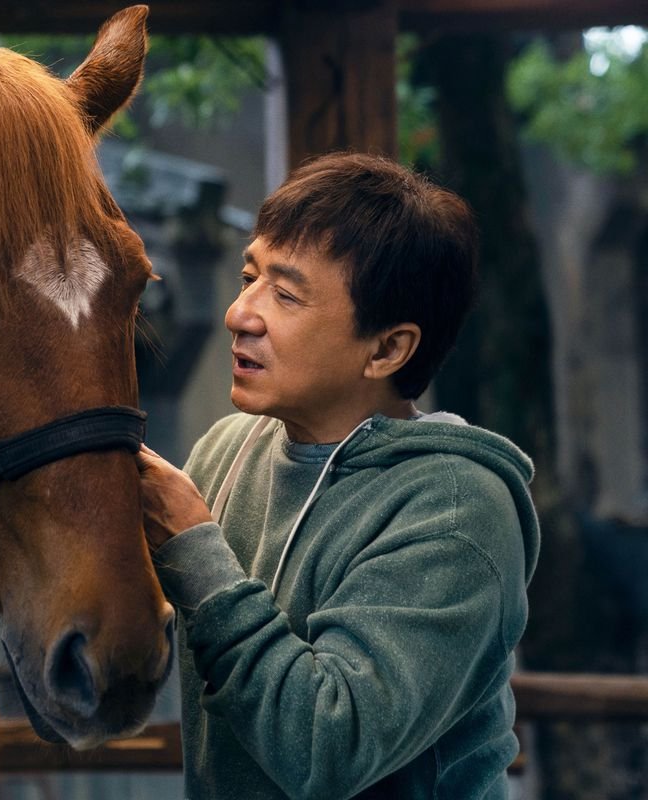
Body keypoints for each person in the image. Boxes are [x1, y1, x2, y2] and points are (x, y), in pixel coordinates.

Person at [136, 152, 539, 799]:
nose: (240, 314)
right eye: (249, 275)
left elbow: (328, 749)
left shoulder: (459, 511)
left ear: (386, 349)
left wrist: (195, 551)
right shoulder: (224, 451)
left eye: (286, 294)